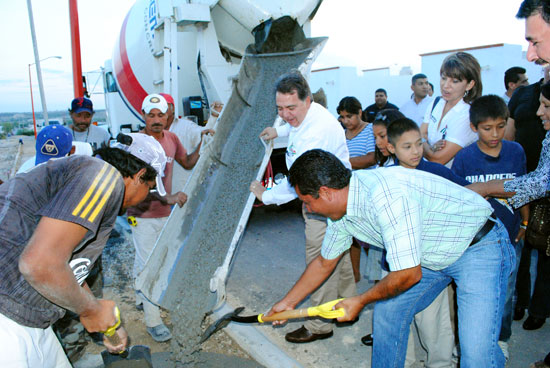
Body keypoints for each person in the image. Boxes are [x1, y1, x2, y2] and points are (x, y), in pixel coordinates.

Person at [269, 149, 513, 367]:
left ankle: (490, 356)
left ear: (325, 192)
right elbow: (324, 263)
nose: (308, 210)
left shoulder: (385, 197)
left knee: (475, 356)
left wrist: (360, 300)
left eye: (307, 202)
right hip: (429, 254)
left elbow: (408, 274)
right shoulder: (341, 212)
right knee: (388, 314)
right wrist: (288, 303)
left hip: (479, 246)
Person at [0, 133, 167, 367]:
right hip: (7, 322)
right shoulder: (102, 178)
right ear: (140, 175)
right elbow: (39, 264)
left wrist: (105, 325)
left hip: (28, 317)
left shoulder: (89, 177)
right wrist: (91, 310)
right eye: (148, 189)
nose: (144, 201)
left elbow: (64, 268)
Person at [249, 71, 356, 343]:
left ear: (307, 100)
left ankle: (320, 325)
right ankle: (346, 308)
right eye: (280, 109)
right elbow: (297, 125)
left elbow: (295, 185)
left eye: (291, 108)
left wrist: (266, 194)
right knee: (339, 257)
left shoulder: (315, 136)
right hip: (339, 199)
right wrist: (280, 130)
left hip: (324, 204)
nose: (285, 114)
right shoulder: (314, 112)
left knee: (319, 261)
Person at [451, 95, 528, 360]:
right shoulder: (464, 158)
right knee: (474, 297)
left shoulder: (516, 152)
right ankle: (470, 342)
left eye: (500, 126)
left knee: (505, 294)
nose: (495, 134)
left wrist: (526, 222)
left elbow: (524, 192)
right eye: (487, 128)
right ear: (474, 127)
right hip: (478, 240)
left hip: (511, 235)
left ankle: (500, 338)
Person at [128, 93, 203, 342]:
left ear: (168, 115)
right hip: (142, 213)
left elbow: (188, 162)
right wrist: (167, 198)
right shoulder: (135, 143)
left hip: (165, 213)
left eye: (161, 115)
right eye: (152, 115)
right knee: (152, 264)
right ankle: (153, 320)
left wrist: (205, 142)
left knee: (150, 259)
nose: (157, 120)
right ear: (143, 116)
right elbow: (135, 184)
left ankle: (142, 296)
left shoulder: (172, 139)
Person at [336, 96, 376, 283]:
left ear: (360, 112)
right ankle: (355, 274)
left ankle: (378, 274)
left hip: (367, 190)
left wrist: (344, 164)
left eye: (349, 116)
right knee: (352, 235)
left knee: (370, 235)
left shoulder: (370, 130)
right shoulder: (342, 134)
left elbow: (371, 158)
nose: (346, 121)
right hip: (348, 190)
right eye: (343, 117)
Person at [421, 52, 482, 168]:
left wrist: (423, 143)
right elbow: (420, 133)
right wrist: (430, 148)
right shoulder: (436, 103)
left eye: (454, 81)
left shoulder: (468, 115)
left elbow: (437, 159)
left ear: (469, 84)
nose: (445, 86)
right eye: (444, 78)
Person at [159, 93, 215, 188]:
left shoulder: (185, 127)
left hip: (182, 192)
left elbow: (206, 133)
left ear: (172, 108)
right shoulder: (150, 134)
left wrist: (214, 116)